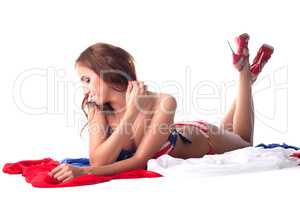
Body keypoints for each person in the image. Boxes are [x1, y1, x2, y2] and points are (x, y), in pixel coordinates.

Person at [48, 33, 274, 182]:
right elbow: (99, 160)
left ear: (108, 74)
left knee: (245, 142)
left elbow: (140, 162)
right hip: (177, 130)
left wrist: (83, 171)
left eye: (87, 80)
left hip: (203, 138)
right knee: (233, 132)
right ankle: (248, 78)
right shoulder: (96, 108)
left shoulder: (163, 102)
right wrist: (130, 115)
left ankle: (244, 73)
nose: (84, 89)